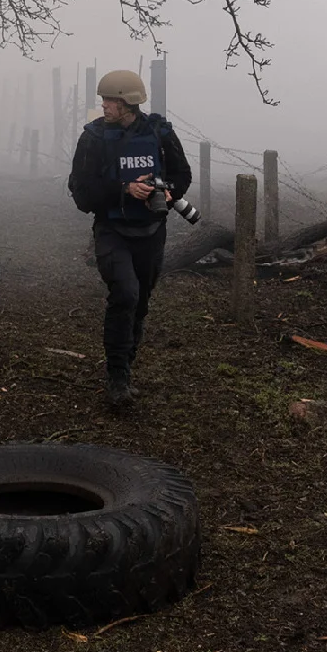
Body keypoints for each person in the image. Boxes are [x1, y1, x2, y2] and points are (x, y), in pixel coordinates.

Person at [68, 69, 192, 408]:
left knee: (140, 302)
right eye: (104, 99)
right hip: (111, 230)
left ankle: (126, 365)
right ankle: (117, 377)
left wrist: (169, 194)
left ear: (129, 103)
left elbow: (182, 175)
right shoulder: (93, 139)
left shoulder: (159, 133)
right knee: (125, 293)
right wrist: (123, 189)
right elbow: (81, 193)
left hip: (151, 231)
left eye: (111, 100)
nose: (104, 105)